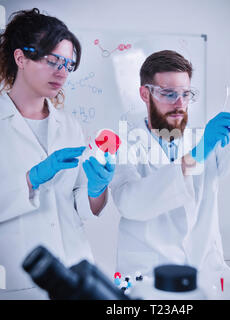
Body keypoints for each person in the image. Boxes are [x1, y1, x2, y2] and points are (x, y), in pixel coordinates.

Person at [110, 20, 230, 277]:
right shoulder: (125, 145)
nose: (180, 103)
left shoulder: (204, 140)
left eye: (185, 93)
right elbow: (132, 204)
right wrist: (197, 155)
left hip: (206, 275)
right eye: (168, 93)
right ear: (145, 94)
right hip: (147, 280)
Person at [0, 8, 115, 298]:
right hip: (19, 276)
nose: (62, 71)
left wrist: (97, 190)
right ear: (20, 58)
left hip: (76, 269)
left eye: (68, 63)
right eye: (53, 60)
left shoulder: (70, 125)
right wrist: (30, 179)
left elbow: (84, 205)